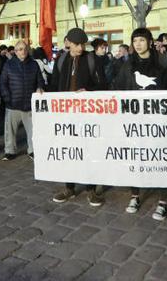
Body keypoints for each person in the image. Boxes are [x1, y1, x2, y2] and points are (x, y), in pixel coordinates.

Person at [112, 28, 167, 219]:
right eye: (135, 41)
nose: (138, 44)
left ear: (149, 42)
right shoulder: (128, 64)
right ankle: (135, 195)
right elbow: (118, 87)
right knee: (136, 156)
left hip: (159, 120)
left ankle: (163, 200)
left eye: (141, 40)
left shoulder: (162, 61)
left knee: (160, 156)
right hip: (136, 120)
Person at [50, 27, 107, 206]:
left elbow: (104, 85)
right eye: (76, 44)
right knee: (69, 152)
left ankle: (91, 189)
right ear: (68, 43)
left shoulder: (92, 59)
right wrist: (43, 94)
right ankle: (70, 188)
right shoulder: (61, 60)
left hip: (88, 114)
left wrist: (89, 91)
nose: (80, 48)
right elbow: (53, 85)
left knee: (89, 150)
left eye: (83, 44)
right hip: (66, 116)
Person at [0, 41, 45, 161]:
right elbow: (2, 83)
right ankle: (10, 151)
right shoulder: (8, 65)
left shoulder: (34, 64)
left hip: (29, 104)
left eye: (24, 49)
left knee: (32, 131)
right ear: (15, 51)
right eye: (19, 49)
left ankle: (32, 150)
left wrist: (40, 87)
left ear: (28, 50)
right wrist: (7, 98)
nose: (22, 51)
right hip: (12, 104)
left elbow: (40, 80)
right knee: (10, 130)